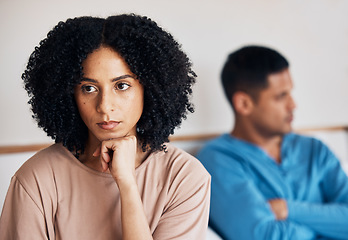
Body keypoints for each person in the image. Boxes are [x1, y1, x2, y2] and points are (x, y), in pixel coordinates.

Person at [0, 14, 211, 240]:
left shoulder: (184, 177)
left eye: (121, 85)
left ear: (149, 89)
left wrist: (127, 184)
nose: (104, 106)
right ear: (69, 93)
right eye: (89, 88)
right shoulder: (36, 179)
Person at [196, 45, 348, 240]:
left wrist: (287, 209)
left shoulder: (314, 149)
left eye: (290, 93)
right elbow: (264, 236)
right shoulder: (217, 161)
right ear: (244, 104)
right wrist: (327, 225)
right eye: (281, 96)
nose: (293, 105)